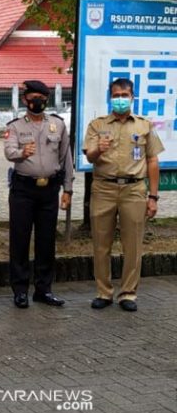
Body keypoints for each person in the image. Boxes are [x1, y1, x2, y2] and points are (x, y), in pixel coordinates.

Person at [83, 78, 163, 312]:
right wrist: (100, 148)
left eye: (124, 95)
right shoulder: (97, 125)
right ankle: (103, 292)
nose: (120, 99)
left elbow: (152, 160)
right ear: (110, 97)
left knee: (133, 245)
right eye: (116, 95)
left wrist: (154, 197)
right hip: (104, 188)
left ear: (132, 97)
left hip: (134, 190)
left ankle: (128, 293)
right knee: (101, 244)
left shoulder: (144, 125)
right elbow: (90, 157)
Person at [4, 80, 73, 309]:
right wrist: (22, 153)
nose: (37, 102)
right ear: (25, 100)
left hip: (49, 190)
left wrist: (68, 189)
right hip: (23, 189)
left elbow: (66, 158)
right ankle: (20, 290)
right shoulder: (15, 126)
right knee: (20, 240)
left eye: (42, 98)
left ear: (47, 99)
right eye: (33, 98)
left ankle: (44, 290)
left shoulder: (58, 124)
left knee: (46, 241)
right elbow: (8, 151)